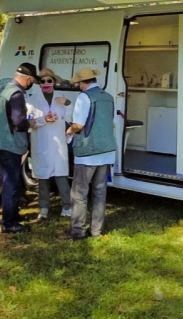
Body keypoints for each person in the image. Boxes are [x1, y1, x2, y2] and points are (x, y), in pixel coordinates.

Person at [65, 67, 117, 240]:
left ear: (82, 83)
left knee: (79, 193)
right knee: (100, 192)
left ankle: (77, 231)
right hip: (107, 151)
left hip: (88, 152)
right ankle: (96, 230)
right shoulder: (108, 97)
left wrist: (69, 131)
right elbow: (112, 123)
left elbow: (79, 125)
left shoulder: (84, 97)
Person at [0, 62, 39, 234]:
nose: (31, 83)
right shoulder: (17, 94)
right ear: (27, 78)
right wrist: (31, 122)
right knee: (12, 184)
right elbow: (18, 122)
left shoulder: (3, 88)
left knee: (7, 181)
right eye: (32, 80)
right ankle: (9, 223)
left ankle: (10, 216)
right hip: (10, 144)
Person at [26, 67, 74, 220]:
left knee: (61, 178)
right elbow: (29, 123)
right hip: (41, 143)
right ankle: (44, 208)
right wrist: (43, 120)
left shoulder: (61, 98)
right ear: (39, 83)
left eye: (49, 80)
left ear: (54, 82)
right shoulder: (32, 100)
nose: (46, 83)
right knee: (43, 179)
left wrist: (67, 103)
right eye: (43, 81)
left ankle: (67, 206)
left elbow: (71, 116)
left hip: (59, 144)